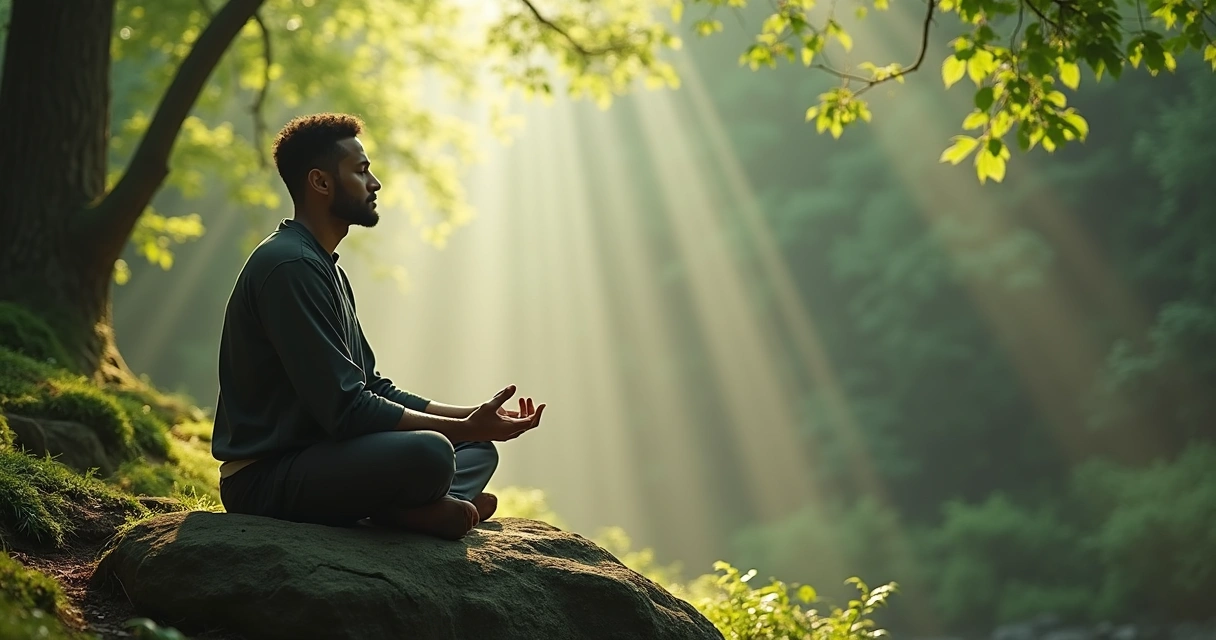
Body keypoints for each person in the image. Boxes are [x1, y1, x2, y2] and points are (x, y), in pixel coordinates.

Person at [210, 113, 545, 540]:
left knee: (477, 450)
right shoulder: (289, 266)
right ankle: (413, 510)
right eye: (361, 170)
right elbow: (348, 410)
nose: (375, 183)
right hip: (265, 477)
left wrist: (476, 419)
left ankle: (418, 509)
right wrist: (460, 428)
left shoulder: (323, 267)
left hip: (325, 458)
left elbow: (374, 388)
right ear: (321, 182)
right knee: (432, 450)